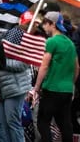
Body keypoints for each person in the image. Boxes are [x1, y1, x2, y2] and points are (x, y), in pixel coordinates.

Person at [30, 11, 79, 142]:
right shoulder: (70, 43)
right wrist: (71, 83)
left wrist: (36, 87)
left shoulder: (51, 42)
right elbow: (77, 68)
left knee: (42, 122)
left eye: (45, 23)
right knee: (65, 124)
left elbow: (44, 66)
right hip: (67, 90)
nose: (44, 27)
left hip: (51, 89)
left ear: (52, 24)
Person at [0, 11, 33, 142]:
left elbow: (22, 65)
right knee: (2, 124)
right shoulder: (5, 34)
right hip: (3, 87)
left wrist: (0, 63)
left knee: (12, 122)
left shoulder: (26, 40)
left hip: (16, 88)